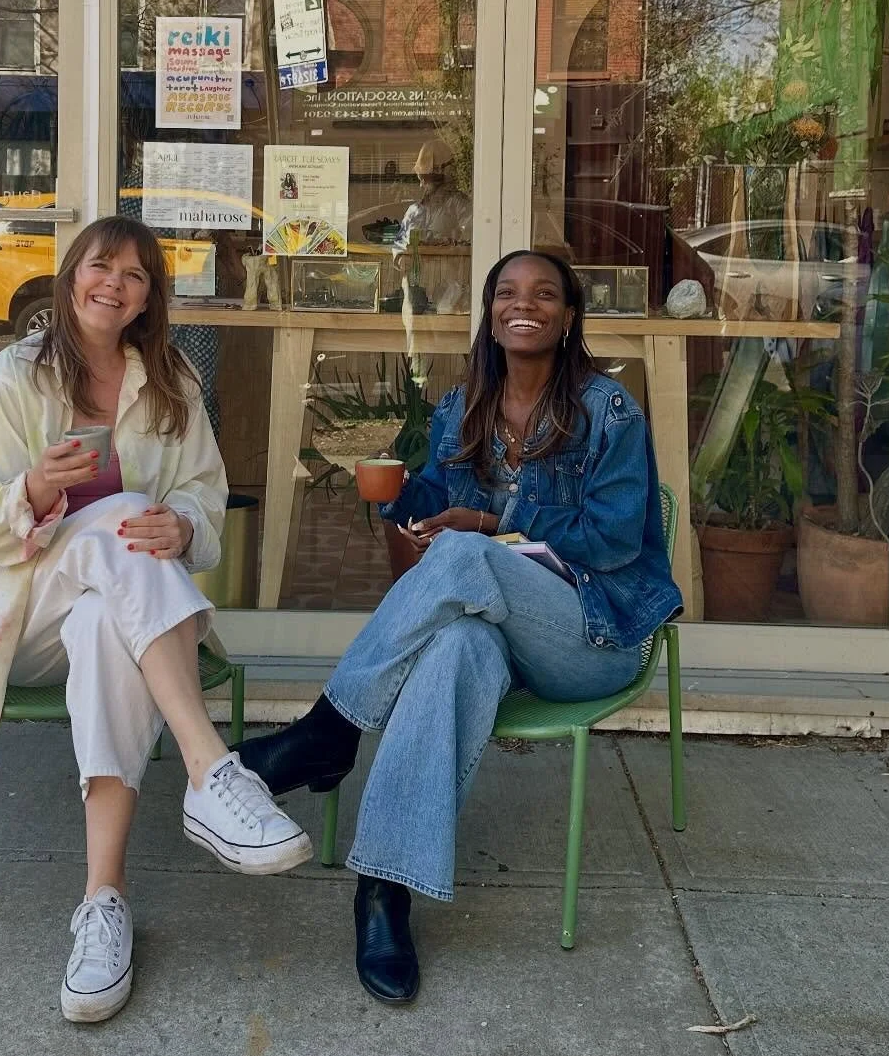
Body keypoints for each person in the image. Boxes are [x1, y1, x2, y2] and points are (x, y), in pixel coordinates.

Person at [237, 249, 681, 1005]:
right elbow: (434, 499)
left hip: (591, 633)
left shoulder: (610, 411)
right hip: (500, 633)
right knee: (454, 642)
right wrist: (401, 500)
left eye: (545, 294)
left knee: (469, 551)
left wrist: (489, 519)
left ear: (569, 315)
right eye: (507, 292)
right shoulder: (461, 407)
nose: (525, 304)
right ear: (490, 311)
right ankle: (383, 890)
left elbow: (612, 539)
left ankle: (329, 730)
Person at [0, 215, 311, 1025]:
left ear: (150, 296)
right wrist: (37, 490)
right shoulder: (13, 376)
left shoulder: (171, 378)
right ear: (73, 274)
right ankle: (212, 770)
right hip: (21, 616)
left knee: (107, 620)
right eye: (102, 265)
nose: (115, 283)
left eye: (136, 274)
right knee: (122, 517)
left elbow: (204, 496)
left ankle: (102, 906)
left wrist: (182, 527)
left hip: (124, 622)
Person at [397, 139, 471, 249]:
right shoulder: (415, 209)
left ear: (439, 176)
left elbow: (471, 239)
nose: (421, 185)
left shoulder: (458, 204)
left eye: (425, 179)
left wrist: (449, 242)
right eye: (420, 179)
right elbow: (400, 244)